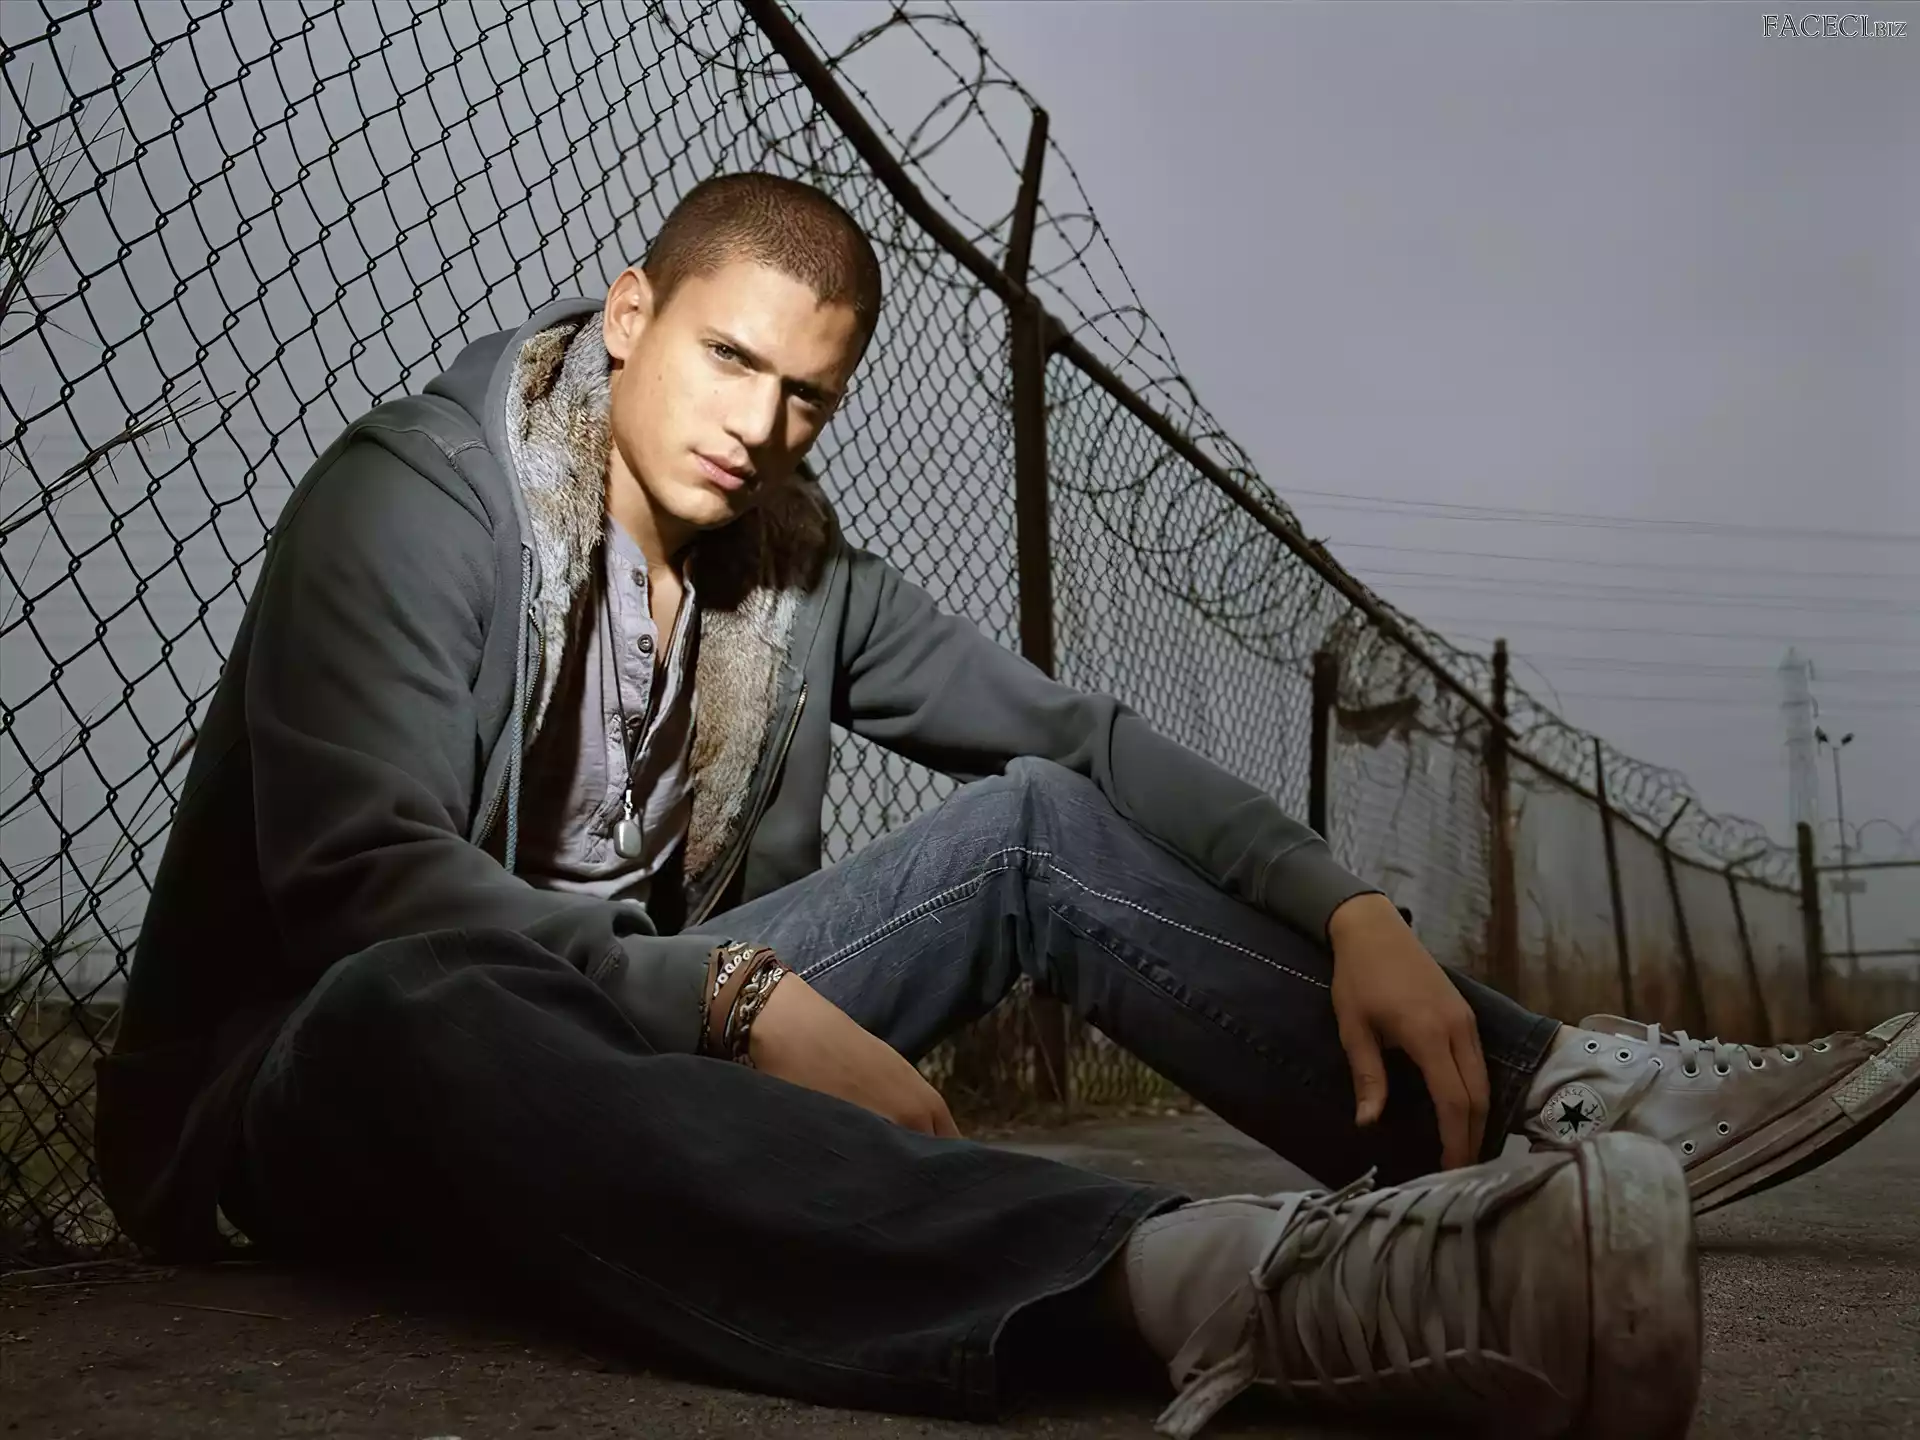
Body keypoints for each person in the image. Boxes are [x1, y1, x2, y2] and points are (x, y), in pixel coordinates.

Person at [96, 172, 1919, 1440]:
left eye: (807, 397)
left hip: (645, 1041)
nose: (758, 426)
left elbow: (1086, 743)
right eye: (727, 359)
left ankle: (1541, 1117)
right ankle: (1221, 1286)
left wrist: (1351, 905)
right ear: (632, 316)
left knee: (1035, 821)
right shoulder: (419, 497)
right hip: (324, 1081)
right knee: (416, 995)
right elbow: (364, 884)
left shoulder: (786, 572)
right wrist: (728, 994)